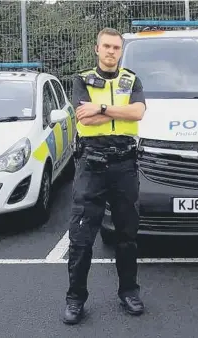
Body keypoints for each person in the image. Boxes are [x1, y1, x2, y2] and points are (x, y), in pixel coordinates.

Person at [63, 27, 147, 325]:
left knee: (127, 234)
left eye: (116, 47)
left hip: (125, 165)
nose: (111, 51)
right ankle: (75, 299)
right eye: (106, 46)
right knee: (82, 238)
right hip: (92, 166)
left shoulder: (131, 79)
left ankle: (129, 292)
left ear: (120, 51)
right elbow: (83, 116)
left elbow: (138, 112)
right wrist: (116, 111)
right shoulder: (82, 79)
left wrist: (101, 107)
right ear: (97, 49)